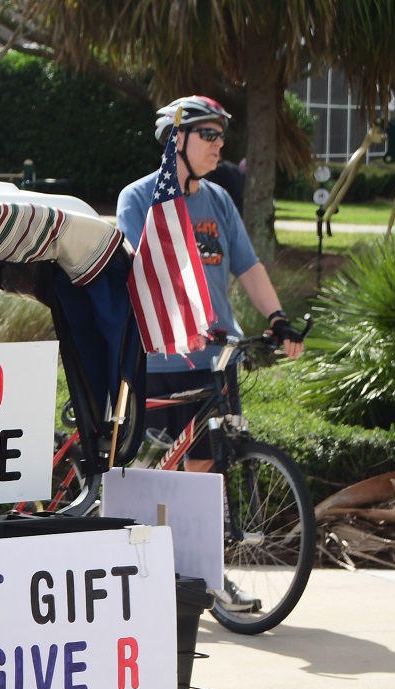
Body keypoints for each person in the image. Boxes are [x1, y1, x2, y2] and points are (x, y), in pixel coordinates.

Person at [116, 96, 304, 477]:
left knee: (205, 463)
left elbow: (248, 267)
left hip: (215, 360)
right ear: (176, 139)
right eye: (208, 134)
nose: (220, 144)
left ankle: (190, 538)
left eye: (221, 136)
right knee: (149, 471)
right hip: (159, 361)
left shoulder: (219, 200)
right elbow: (144, 270)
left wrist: (278, 317)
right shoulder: (138, 198)